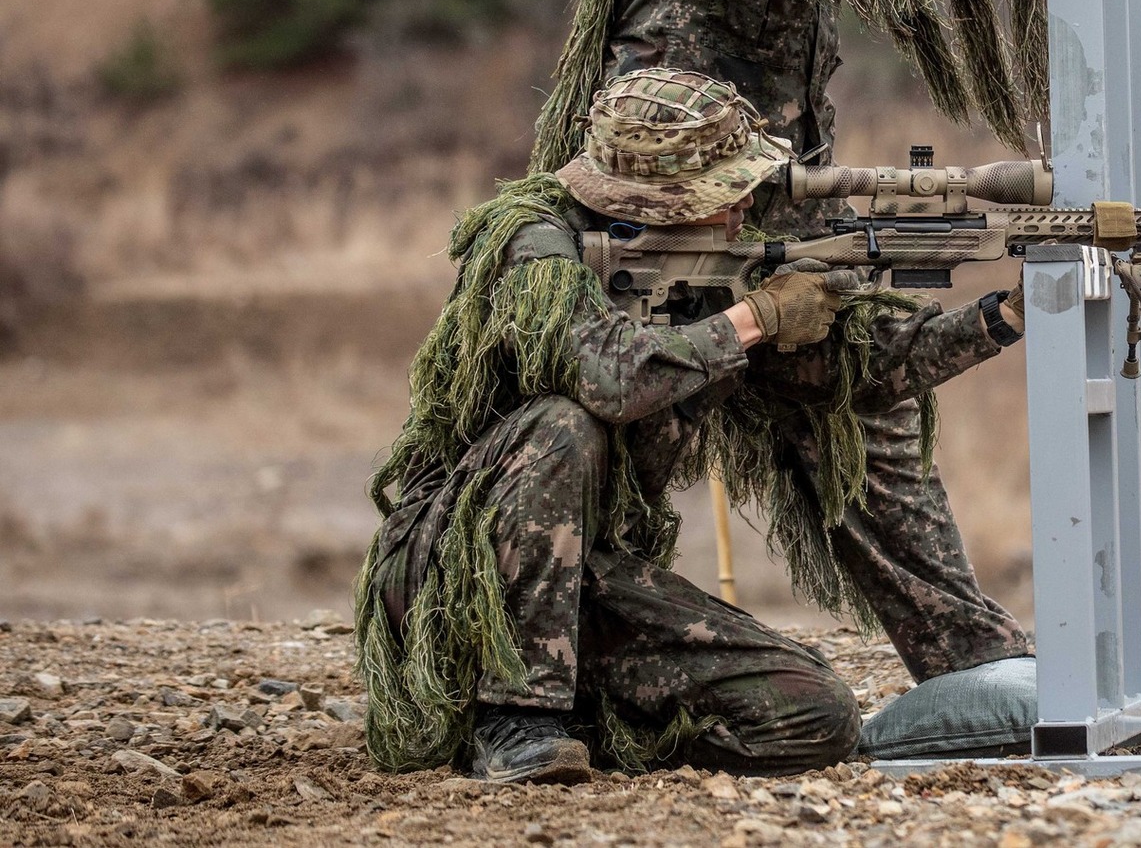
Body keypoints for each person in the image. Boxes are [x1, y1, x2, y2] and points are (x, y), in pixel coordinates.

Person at [521, 0, 1080, 737]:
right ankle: (538, 676)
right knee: (625, 416)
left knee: (851, 394)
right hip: (657, 165)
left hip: (776, 158)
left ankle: (973, 663)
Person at [355, 69, 1028, 781]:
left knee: (814, 715)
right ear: (661, 204)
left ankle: (592, 725)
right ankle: (512, 718)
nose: (743, 210)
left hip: (592, 586)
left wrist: (1004, 316)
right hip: (456, 572)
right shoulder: (535, 242)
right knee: (562, 425)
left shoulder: (706, 277)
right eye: (723, 195)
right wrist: (751, 320)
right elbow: (607, 376)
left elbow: (856, 374)